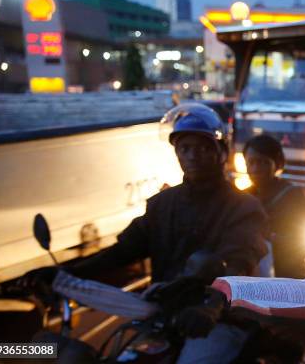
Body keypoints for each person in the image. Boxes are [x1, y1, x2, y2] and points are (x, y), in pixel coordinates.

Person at [22, 103, 268, 364]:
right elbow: (122, 252)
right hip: (164, 314)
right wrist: (66, 274)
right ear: (176, 154)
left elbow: (240, 259)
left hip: (219, 319)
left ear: (221, 152)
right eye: (185, 148)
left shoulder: (244, 207)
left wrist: (212, 306)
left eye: (203, 147)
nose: (193, 155)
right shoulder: (161, 204)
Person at [243, 134, 305, 279]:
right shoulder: (243, 198)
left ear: (278, 164)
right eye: (251, 163)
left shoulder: (293, 196)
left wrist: (272, 238)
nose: (256, 169)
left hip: (290, 276)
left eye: (263, 162)